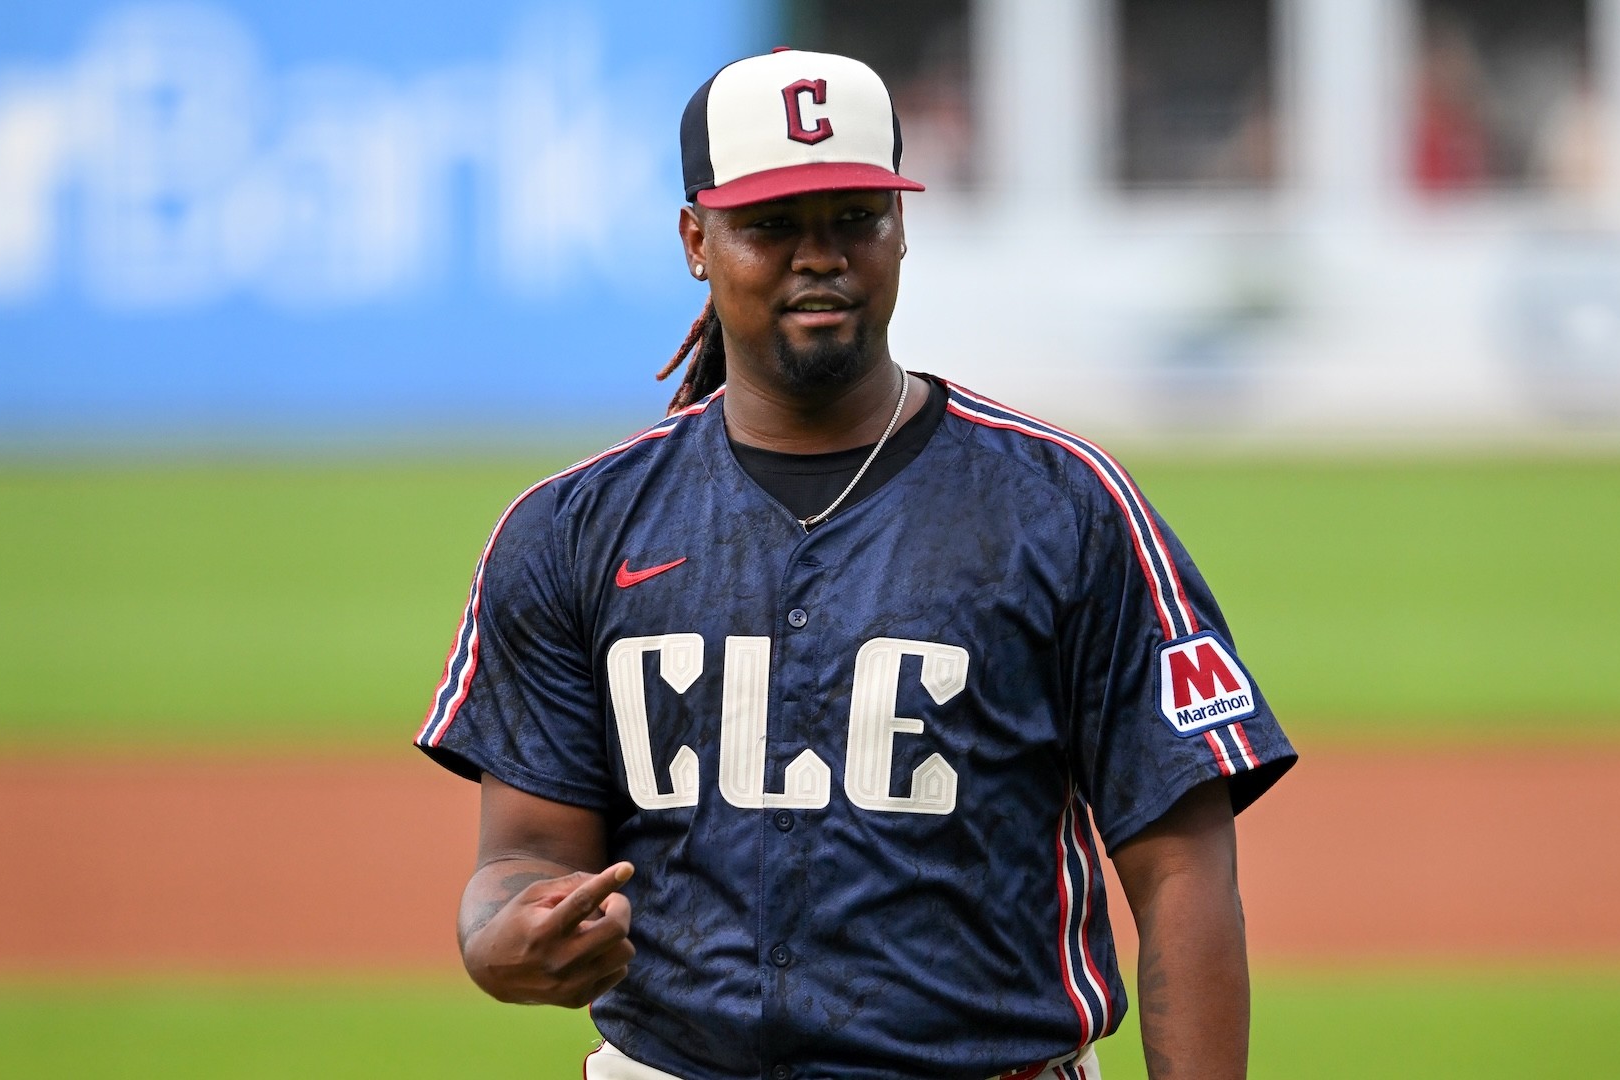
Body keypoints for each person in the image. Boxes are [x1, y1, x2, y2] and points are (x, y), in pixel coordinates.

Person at [415, 47, 1296, 1080]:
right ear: (697, 239)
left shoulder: (1063, 506)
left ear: (902, 228)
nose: (818, 256)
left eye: (853, 218)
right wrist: (500, 938)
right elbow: (521, 859)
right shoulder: (572, 527)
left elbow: (1181, 869)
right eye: (772, 226)